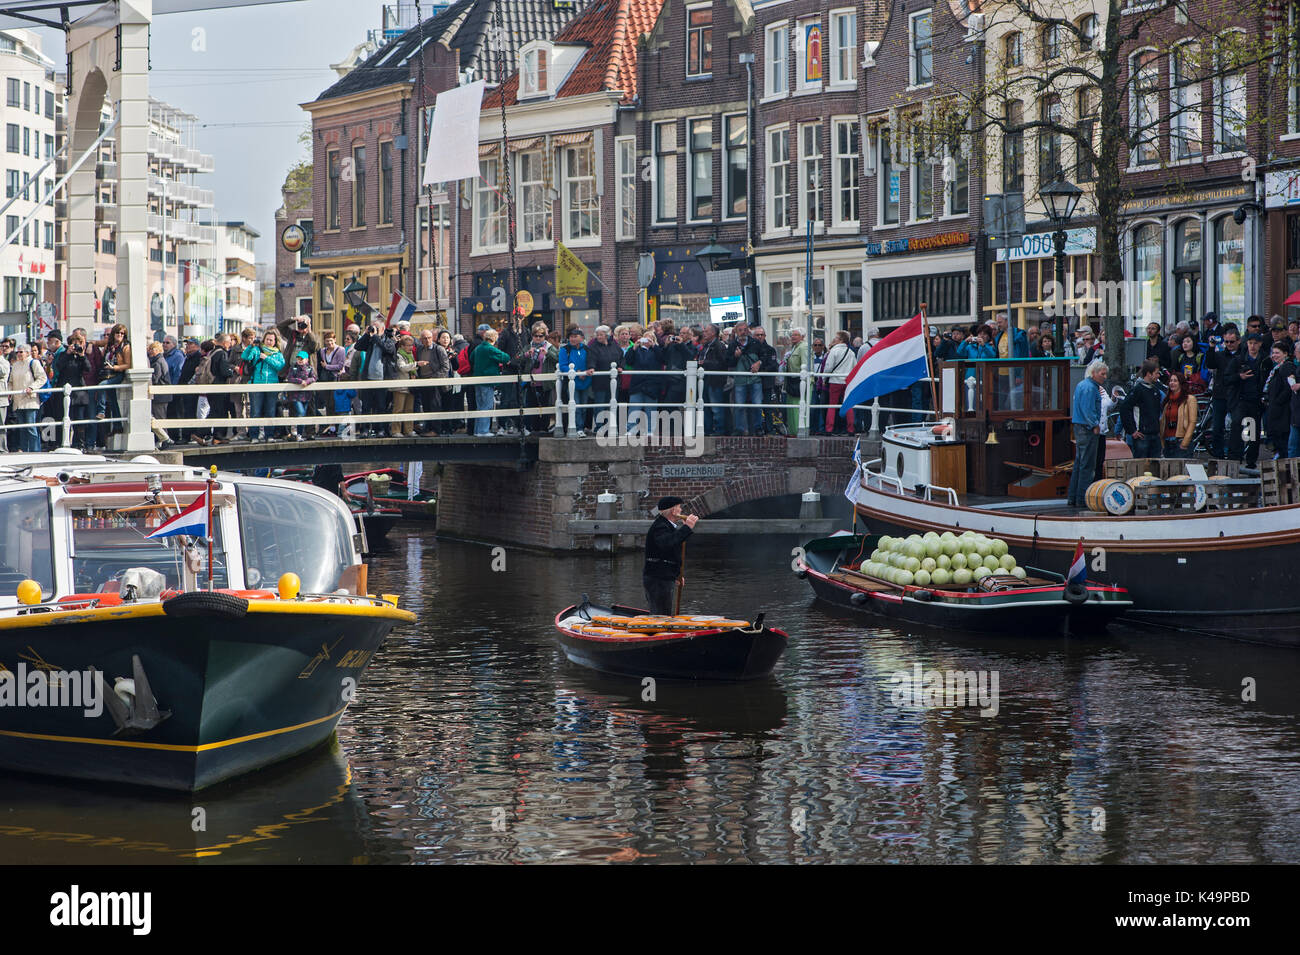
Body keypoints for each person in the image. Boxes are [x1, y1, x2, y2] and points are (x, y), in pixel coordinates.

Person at [642, 496, 700, 615]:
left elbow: (672, 552)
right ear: (673, 511)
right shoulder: (660, 527)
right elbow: (667, 543)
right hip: (657, 578)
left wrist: (677, 574)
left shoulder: (668, 527)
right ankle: (659, 632)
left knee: (664, 611)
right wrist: (687, 527)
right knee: (661, 614)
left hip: (665, 576)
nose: (681, 511)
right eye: (679, 508)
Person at [1067, 358, 1108, 507]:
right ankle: (1082, 499)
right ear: (1094, 373)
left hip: (1080, 427)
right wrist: (1094, 425)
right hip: (1086, 428)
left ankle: (1073, 497)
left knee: (1080, 463)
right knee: (1087, 466)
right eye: (1103, 374)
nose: (1105, 377)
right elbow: (1088, 409)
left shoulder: (1083, 385)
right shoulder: (1090, 388)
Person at [1227, 333, 1269, 467]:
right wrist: (1239, 376)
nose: (1252, 346)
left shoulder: (1265, 360)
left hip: (1256, 401)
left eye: (1255, 343)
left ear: (1260, 344)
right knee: (1237, 424)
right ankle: (1234, 458)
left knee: (1253, 432)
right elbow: (1226, 379)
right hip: (1241, 399)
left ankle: (1251, 461)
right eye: (1250, 343)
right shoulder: (1239, 360)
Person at [242, 329, 286, 442]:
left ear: (275, 341)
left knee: (270, 411)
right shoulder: (257, 350)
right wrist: (250, 347)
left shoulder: (278, 353)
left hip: (272, 384)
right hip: (257, 383)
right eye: (267, 339)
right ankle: (254, 436)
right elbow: (245, 357)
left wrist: (266, 358)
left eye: (271, 340)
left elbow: (280, 366)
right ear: (264, 340)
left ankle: (269, 435)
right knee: (255, 411)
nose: (269, 342)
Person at [1206, 324, 1240, 457]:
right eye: (1226, 342)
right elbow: (1209, 364)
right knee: (1217, 427)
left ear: (1238, 341)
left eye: (1232, 342)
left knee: (1237, 426)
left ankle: (1235, 454)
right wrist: (1211, 347)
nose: (1229, 344)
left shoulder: (1242, 354)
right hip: (1220, 394)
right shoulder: (1220, 354)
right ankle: (1218, 454)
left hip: (1236, 395)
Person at [1118, 359, 1163, 458]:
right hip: (1142, 435)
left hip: (1155, 435)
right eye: (1156, 373)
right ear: (1148, 374)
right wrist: (1132, 431)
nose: (1158, 376)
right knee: (1142, 465)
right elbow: (1124, 408)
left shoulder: (1156, 391)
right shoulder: (1137, 390)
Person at [470, 327, 510, 435]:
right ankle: (483, 431)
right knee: (487, 406)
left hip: (477, 380)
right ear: (494, 339)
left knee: (479, 406)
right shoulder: (490, 348)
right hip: (487, 381)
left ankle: (477, 430)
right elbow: (505, 357)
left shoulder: (478, 348)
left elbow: (471, 358)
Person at [727, 322, 765, 436]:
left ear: (748, 331)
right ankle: (739, 429)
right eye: (740, 330)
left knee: (757, 404)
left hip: (755, 379)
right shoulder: (733, 344)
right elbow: (728, 362)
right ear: (736, 332)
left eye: (744, 329)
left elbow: (764, 356)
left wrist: (759, 363)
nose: (743, 332)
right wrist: (735, 356)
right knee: (739, 405)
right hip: (740, 379)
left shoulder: (755, 343)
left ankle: (758, 428)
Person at [555, 326, 593, 436]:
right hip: (573, 383)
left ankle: (582, 427)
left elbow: (590, 362)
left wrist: (587, 371)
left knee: (584, 406)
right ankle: (578, 428)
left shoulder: (586, 349)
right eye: (571, 337)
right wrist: (577, 372)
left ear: (581, 338)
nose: (573, 339)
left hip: (586, 381)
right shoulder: (564, 350)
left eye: (575, 337)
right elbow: (563, 366)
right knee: (575, 406)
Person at [8, 342, 46, 452]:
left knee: (31, 427)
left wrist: (32, 387)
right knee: (22, 428)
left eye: (21, 352)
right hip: (18, 400)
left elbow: (42, 378)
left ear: (27, 353)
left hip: (30, 399)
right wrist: (10, 392)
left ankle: (35, 451)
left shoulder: (33, 363)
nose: (19, 354)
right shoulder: (15, 365)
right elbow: (11, 382)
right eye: (17, 352)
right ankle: (24, 450)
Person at [627, 335, 664, 435]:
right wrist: (633, 348)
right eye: (645, 338)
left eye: (650, 338)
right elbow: (628, 361)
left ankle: (650, 430)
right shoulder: (636, 350)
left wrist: (654, 346)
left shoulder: (657, 350)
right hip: (637, 383)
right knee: (634, 408)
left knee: (651, 409)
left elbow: (663, 359)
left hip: (652, 383)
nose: (647, 341)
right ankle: (631, 429)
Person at [821, 330, 857, 435]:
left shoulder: (834, 351)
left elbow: (828, 367)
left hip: (835, 380)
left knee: (832, 405)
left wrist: (824, 379)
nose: (834, 339)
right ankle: (851, 429)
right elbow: (855, 367)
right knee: (848, 405)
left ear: (841, 340)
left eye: (836, 338)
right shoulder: (850, 352)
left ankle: (829, 429)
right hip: (847, 381)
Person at [1264, 342, 1294, 459]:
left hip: (1282, 412)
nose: (1274, 355)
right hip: (1275, 410)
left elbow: (1287, 389)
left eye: (1277, 353)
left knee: (1283, 443)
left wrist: (1276, 402)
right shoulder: (1276, 368)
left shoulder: (1286, 367)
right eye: (1273, 353)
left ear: (1285, 354)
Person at [697, 323, 729, 435]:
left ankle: (720, 430)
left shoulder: (719, 346)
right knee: (705, 406)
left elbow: (722, 363)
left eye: (706, 331)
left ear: (713, 333)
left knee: (716, 407)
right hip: (705, 380)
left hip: (715, 381)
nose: (703, 333)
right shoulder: (706, 346)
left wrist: (705, 363)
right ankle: (708, 429)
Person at [587, 324, 624, 415]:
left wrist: (621, 367)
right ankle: (600, 427)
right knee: (600, 405)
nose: (599, 337)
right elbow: (591, 358)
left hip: (614, 380)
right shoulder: (593, 347)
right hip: (600, 381)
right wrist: (591, 367)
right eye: (598, 335)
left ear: (607, 335)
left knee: (612, 404)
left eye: (601, 335)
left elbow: (621, 357)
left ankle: (611, 425)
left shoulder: (614, 345)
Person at [1161, 371, 1197, 459]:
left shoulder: (1190, 399)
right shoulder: (1167, 401)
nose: (1172, 383)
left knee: (1181, 471)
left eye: (1175, 381)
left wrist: (1185, 442)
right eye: (1170, 381)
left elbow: (1192, 422)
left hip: (1181, 441)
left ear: (1181, 383)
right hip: (1167, 442)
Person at [146, 341, 174, 448]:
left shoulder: (157, 362)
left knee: (159, 418)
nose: (150, 351)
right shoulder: (161, 360)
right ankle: (164, 440)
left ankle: (165, 441)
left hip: (160, 396)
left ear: (157, 350)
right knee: (160, 417)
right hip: (163, 395)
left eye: (152, 349)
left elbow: (155, 378)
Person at [286, 349, 318, 441]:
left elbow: (314, 377)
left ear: (307, 360)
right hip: (295, 396)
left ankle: (299, 434)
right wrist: (300, 381)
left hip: (306, 396)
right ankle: (297, 433)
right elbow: (290, 378)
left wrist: (307, 381)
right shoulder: (293, 368)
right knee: (300, 413)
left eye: (302, 359)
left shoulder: (309, 368)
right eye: (298, 358)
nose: (300, 360)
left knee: (302, 415)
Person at [389, 335, 417, 438]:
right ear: (402, 346)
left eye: (411, 345)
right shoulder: (398, 355)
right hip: (400, 386)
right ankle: (396, 430)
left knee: (409, 409)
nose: (411, 348)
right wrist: (416, 364)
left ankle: (408, 430)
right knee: (398, 409)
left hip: (410, 386)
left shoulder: (411, 355)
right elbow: (402, 367)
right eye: (408, 346)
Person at [783, 328, 809, 434]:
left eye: (796, 335)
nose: (793, 337)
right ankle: (793, 431)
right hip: (791, 381)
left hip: (799, 381)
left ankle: (798, 431)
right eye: (792, 335)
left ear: (802, 336)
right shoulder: (794, 348)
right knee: (791, 408)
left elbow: (805, 364)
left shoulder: (803, 347)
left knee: (798, 407)